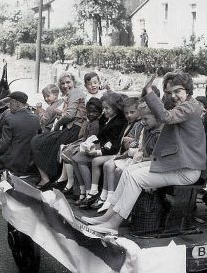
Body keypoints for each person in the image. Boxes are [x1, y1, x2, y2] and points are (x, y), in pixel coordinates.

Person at [83, 72, 206, 235]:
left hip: (187, 170)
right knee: (128, 171)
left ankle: (113, 225)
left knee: (136, 177)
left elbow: (164, 116)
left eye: (178, 91)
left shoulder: (190, 107)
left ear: (188, 91)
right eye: (170, 92)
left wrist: (148, 90)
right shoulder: (186, 104)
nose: (174, 96)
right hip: (179, 164)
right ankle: (107, 217)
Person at [31, 72, 87, 190]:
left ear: (73, 82)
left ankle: (46, 178)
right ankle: (50, 176)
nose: (65, 85)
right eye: (62, 83)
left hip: (74, 130)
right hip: (71, 128)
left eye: (68, 82)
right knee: (43, 140)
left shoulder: (75, 92)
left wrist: (58, 125)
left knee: (36, 141)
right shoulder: (73, 94)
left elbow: (70, 115)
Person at [70, 92, 127, 207]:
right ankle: (83, 190)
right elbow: (101, 138)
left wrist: (97, 151)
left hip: (112, 153)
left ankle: (92, 191)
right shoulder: (105, 119)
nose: (104, 111)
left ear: (115, 108)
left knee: (84, 160)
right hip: (103, 148)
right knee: (75, 158)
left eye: (107, 108)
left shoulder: (119, 122)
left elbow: (114, 146)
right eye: (103, 108)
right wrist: (92, 145)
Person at [58, 97, 103, 197]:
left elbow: (90, 139)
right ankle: (67, 179)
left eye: (94, 112)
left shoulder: (95, 124)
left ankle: (71, 183)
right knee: (66, 149)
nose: (91, 114)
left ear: (100, 113)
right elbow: (81, 136)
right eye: (89, 112)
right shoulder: (89, 122)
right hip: (84, 142)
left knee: (69, 152)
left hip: (89, 145)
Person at [0, 91, 41, 177]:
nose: (9, 106)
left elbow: (3, 146)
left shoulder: (10, 119)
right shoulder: (36, 118)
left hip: (14, 164)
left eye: (10, 103)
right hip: (31, 163)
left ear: (17, 103)